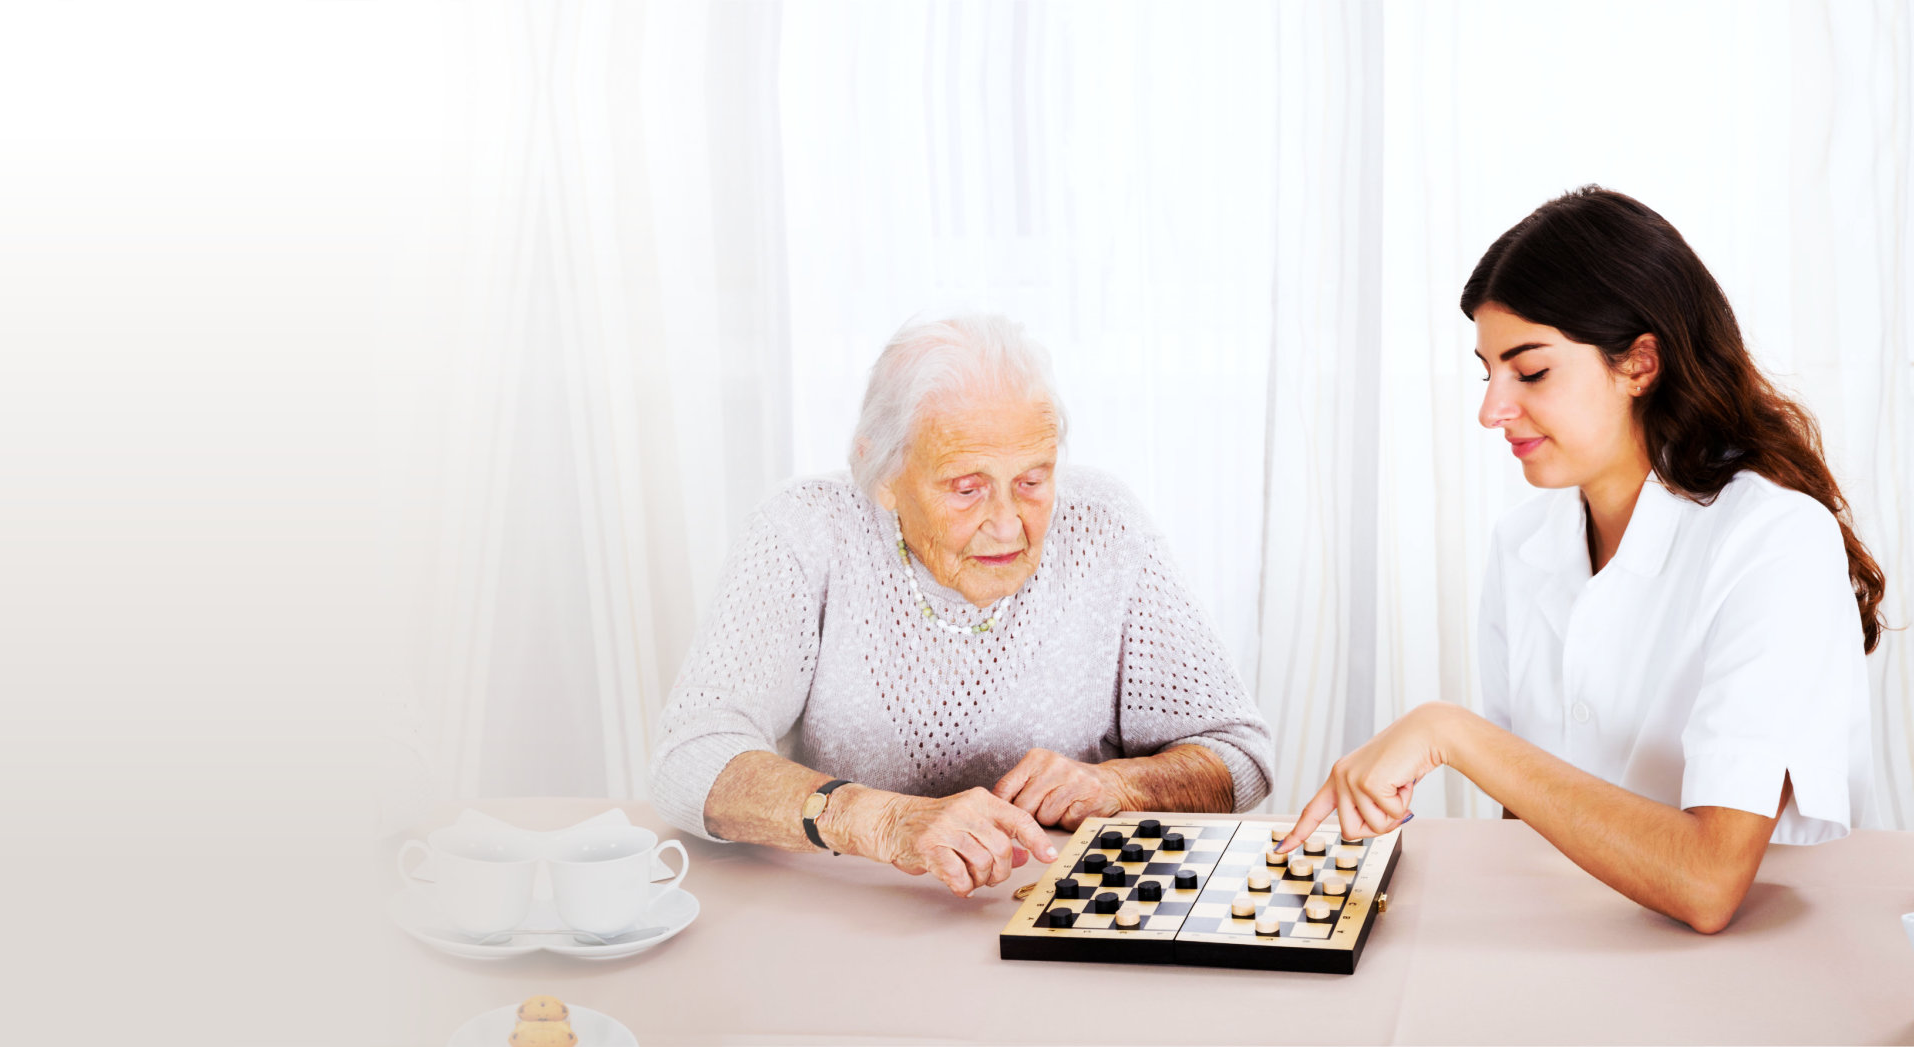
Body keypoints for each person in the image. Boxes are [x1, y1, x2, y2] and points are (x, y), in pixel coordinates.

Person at [1279, 187, 1884, 934]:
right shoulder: (1523, 545)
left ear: (1638, 363)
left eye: (1529, 372)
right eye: (1487, 372)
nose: (1491, 409)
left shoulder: (1775, 539)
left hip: (1758, 970)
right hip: (1562, 938)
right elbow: (1526, 814)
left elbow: (1707, 881)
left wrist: (1451, 731)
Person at [650, 313, 1276, 897]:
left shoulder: (1104, 527)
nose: (1007, 526)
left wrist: (1120, 784)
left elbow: (1239, 756)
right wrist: (883, 819)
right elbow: (691, 759)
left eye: (1032, 481)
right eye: (967, 488)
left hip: (1064, 903)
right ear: (883, 472)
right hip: (856, 908)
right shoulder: (807, 531)